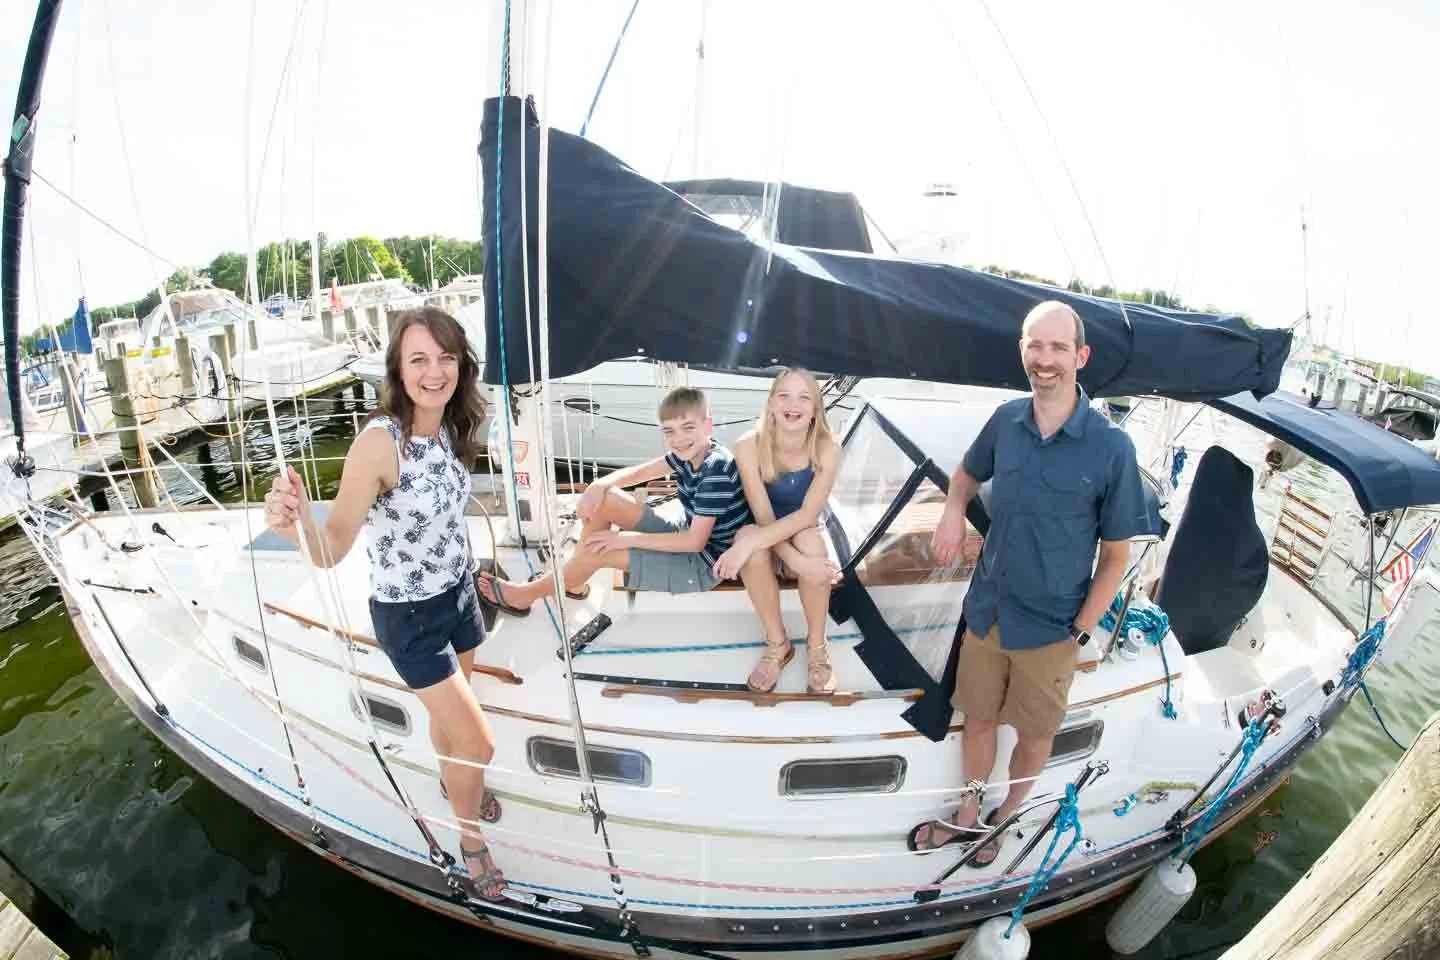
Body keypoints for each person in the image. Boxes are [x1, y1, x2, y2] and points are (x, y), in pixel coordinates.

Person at [262, 307, 507, 900]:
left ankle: (456, 787)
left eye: (446, 357)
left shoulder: (453, 424)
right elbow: (335, 544)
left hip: (458, 592)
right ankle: (468, 838)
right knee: (478, 741)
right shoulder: (379, 443)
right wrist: (295, 526)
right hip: (410, 616)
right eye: (419, 358)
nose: (435, 371)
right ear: (398, 368)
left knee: (453, 730)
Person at [908, 300, 1155, 864]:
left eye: (1058, 347)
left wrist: (1081, 632)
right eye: (1034, 345)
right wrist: (952, 509)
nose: (1045, 359)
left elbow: (1116, 556)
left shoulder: (1112, 447)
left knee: (1035, 735)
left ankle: (1008, 813)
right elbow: (967, 474)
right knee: (978, 721)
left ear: (1081, 356)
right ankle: (970, 813)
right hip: (989, 609)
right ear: (1022, 350)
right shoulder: (1006, 421)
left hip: (1053, 628)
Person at [476, 386, 751, 611]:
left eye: (688, 428)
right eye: (669, 431)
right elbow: (643, 472)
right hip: (684, 528)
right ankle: (573, 580)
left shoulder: (716, 469)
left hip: (703, 563)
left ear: (708, 426)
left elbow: (694, 543)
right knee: (603, 499)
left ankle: (528, 594)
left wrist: (623, 539)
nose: (678, 439)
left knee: (599, 553)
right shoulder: (691, 453)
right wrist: (599, 483)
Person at [712, 368, 843, 693]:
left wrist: (801, 559)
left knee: (811, 542)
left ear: (815, 409)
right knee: (752, 545)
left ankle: (817, 646)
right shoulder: (748, 446)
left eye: (804, 397)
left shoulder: (827, 447)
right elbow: (763, 517)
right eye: (783, 395)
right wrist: (793, 562)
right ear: (770, 403)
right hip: (763, 523)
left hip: (803, 526)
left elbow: (807, 515)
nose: (792, 404)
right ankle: (777, 644)